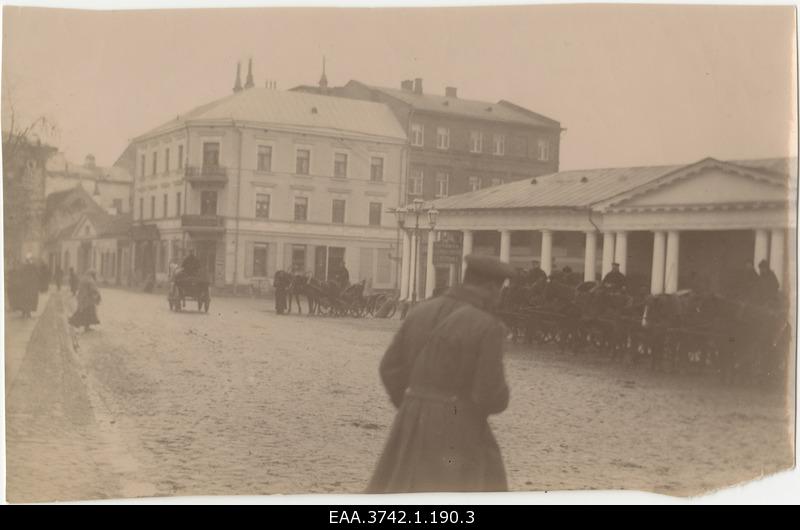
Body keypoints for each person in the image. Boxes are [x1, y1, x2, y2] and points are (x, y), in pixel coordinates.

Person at [366, 254, 513, 494]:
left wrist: (412, 403)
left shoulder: (419, 312)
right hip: (457, 425)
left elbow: (389, 367)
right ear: (490, 287)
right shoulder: (488, 326)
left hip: (410, 420)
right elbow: (489, 394)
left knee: (402, 488)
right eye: (500, 291)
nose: (499, 298)